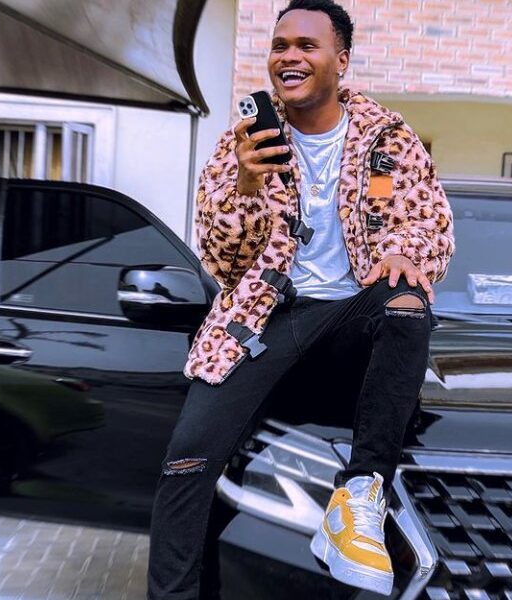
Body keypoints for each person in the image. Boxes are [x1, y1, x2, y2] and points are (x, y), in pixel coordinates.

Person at [146, 0, 455, 597]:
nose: (289, 57)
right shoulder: (243, 144)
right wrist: (245, 183)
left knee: (407, 298)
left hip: (350, 320)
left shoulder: (389, 142)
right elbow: (225, 262)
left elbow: (424, 222)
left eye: (307, 46)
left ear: (341, 60)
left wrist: (403, 255)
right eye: (280, 45)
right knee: (185, 461)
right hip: (264, 320)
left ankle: (358, 498)